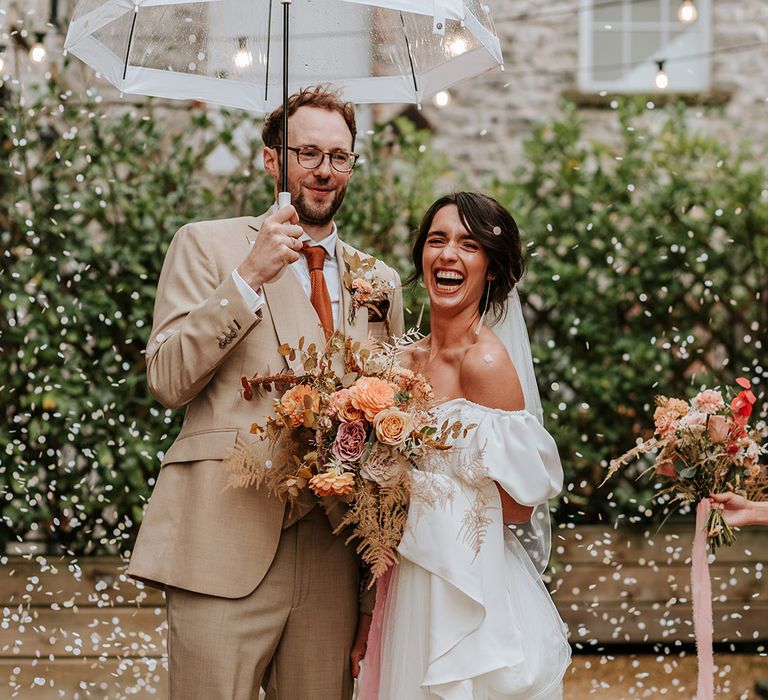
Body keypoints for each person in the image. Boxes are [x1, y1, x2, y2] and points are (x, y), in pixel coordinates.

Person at [127, 86, 404, 700]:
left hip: (334, 553)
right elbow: (168, 379)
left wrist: (369, 592)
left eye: (339, 155)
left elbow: (390, 441)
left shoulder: (378, 281)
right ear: (270, 160)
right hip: (223, 543)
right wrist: (249, 276)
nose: (324, 170)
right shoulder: (206, 245)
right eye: (306, 152)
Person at [356, 192, 571, 699]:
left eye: (468, 245)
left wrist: (423, 492)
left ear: (491, 270)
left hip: (467, 590)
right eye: (437, 240)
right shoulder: (400, 365)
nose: (448, 254)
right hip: (406, 578)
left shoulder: (487, 365)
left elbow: (519, 508)